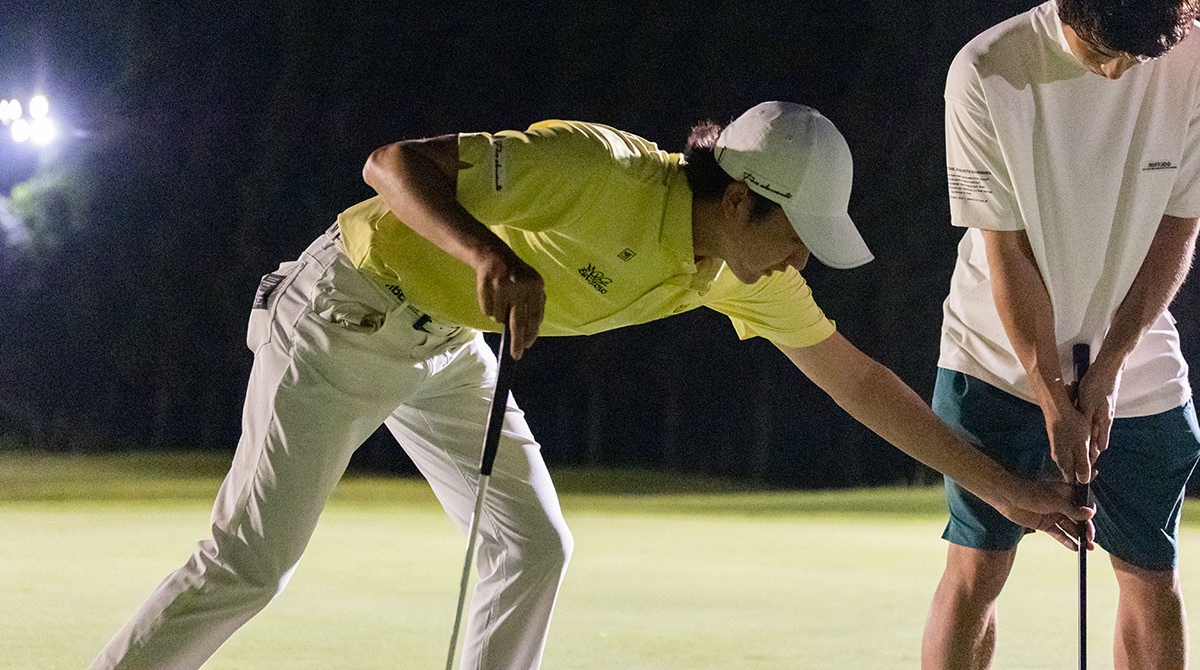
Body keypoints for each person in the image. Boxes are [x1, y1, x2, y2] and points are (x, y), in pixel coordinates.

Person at [91, 101, 1089, 670]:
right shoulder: (597, 168)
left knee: (533, 544)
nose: (803, 258)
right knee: (250, 562)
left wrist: (1005, 486)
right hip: (343, 312)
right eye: (797, 232)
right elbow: (392, 164)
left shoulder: (740, 272)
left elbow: (862, 384)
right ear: (740, 200)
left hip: (445, 346)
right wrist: (486, 253)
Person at [922, 0, 1200, 670]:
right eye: (1105, 51)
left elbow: (1178, 229)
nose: (1118, 71)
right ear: (1066, 2)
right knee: (978, 567)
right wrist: (1052, 392)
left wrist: (1107, 371)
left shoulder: (1190, 62)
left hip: (1136, 351)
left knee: (1152, 571)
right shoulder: (986, 70)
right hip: (996, 349)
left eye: (1138, 58)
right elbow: (1005, 251)